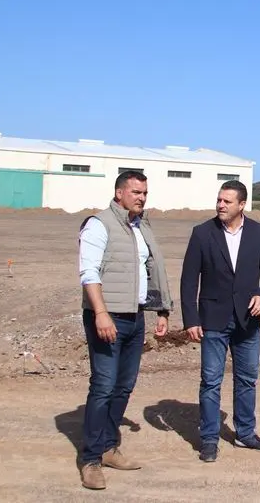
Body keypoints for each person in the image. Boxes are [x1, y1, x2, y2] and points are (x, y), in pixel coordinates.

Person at [77, 170, 173, 490]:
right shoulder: (99, 224)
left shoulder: (141, 226)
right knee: (103, 386)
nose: (142, 198)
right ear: (119, 193)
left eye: (145, 193)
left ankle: (108, 447)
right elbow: (89, 272)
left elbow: (151, 270)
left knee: (124, 386)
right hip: (108, 317)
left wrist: (162, 310)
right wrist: (101, 313)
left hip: (135, 317)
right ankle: (91, 459)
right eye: (135, 192)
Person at [180, 180, 260, 463]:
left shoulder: (259, 233)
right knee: (211, 381)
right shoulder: (202, 233)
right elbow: (189, 280)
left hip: (247, 320)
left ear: (242, 205)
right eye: (219, 200)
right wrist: (191, 318)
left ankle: (245, 433)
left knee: (247, 380)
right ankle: (209, 439)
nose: (220, 205)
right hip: (213, 319)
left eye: (227, 201)